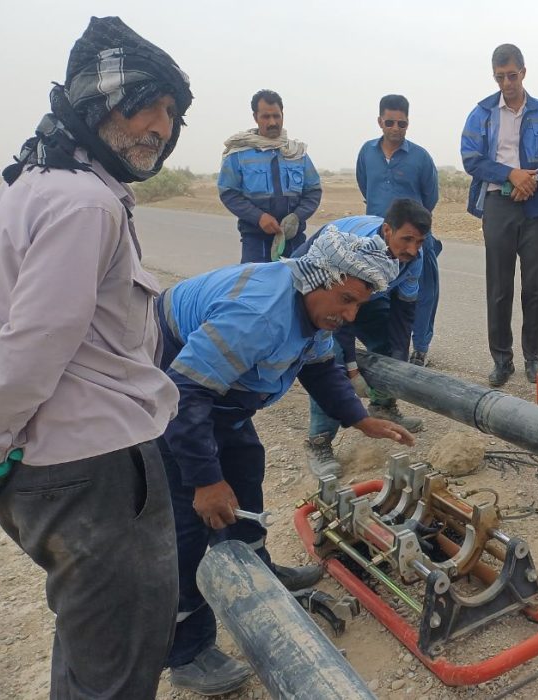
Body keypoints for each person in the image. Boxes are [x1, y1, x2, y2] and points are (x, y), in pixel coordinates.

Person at [0, 16, 191, 699]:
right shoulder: (82, 204)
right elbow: (31, 347)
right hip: (94, 475)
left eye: (171, 113)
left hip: (56, 472)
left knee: (92, 647)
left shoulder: (30, 185)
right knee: (118, 663)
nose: (160, 126)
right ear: (99, 103)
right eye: (148, 104)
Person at [157, 230, 414, 694]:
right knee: (187, 519)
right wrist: (203, 480)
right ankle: (186, 651)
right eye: (346, 300)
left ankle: (257, 572)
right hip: (174, 383)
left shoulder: (315, 311)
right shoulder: (259, 314)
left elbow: (318, 368)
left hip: (220, 395)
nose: (350, 315)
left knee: (246, 466)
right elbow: (185, 395)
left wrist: (360, 420)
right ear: (318, 279)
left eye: (359, 305)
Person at [302, 200, 431, 478]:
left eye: (419, 241)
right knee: (329, 361)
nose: (412, 249)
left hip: (368, 291)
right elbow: (342, 319)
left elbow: (404, 311)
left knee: (386, 342)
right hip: (330, 287)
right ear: (387, 230)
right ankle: (319, 441)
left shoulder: (414, 260)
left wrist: (398, 359)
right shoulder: (357, 250)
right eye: (406, 239)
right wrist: (351, 368)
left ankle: (383, 404)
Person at [461, 43, 538, 387]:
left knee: (534, 287)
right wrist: (510, 175)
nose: (506, 83)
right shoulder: (482, 114)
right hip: (498, 205)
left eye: (511, 75)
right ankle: (501, 360)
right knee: (499, 287)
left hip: (534, 207)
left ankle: (533, 358)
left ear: (523, 71)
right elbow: (471, 158)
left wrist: (531, 182)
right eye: (499, 77)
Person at [356, 94, 442, 367]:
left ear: (408, 123)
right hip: (377, 239)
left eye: (401, 124)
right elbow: (363, 185)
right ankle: (387, 349)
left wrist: (411, 230)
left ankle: (420, 349)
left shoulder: (420, 157)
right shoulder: (366, 153)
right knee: (376, 294)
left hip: (414, 238)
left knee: (420, 295)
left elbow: (430, 198)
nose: (395, 128)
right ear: (380, 121)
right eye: (390, 122)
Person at [219, 89, 323, 264]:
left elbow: (313, 191)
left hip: (293, 240)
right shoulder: (239, 154)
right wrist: (259, 217)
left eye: (277, 116)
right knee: (256, 288)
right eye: (266, 117)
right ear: (255, 117)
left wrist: (297, 217)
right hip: (255, 241)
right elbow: (229, 193)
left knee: (296, 288)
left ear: (283, 115)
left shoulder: (297, 153)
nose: (273, 122)